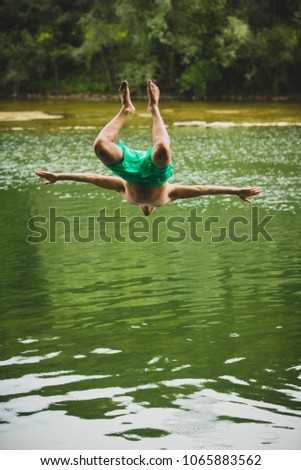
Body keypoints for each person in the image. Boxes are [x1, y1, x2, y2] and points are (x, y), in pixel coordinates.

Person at [36, 80, 261, 216]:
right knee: (162, 148)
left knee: (100, 147)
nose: (147, 206)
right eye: (149, 208)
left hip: (129, 169)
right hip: (156, 173)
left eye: (145, 208)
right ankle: (154, 107)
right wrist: (235, 191)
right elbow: (204, 190)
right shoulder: (169, 195)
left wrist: (59, 176)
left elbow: (90, 177)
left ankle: (126, 109)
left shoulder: (124, 191)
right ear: (152, 209)